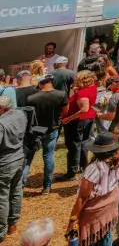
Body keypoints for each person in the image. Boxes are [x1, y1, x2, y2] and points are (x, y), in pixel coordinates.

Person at [67, 132, 119, 246]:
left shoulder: (94, 168)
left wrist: (72, 220)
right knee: (105, 231)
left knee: (90, 237)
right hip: (110, 206)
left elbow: (83, 197)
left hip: (95, 211)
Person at [23, 75, 67, 194]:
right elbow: (65, 112)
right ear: (52, 82)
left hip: (35, 130)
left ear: (40, 83)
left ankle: (20, 184)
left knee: (28, 158)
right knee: (48, 156)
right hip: (51, 129)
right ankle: (47, 186)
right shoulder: (61, 94)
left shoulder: (31, 98)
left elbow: (29, 115)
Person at [60, 70, 98, 181]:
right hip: (89, 118)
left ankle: (72, 172)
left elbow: (84, 109)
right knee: (83, 143)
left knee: (74, 146)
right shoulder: (91, 88)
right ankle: (83, 166)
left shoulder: (82, 93)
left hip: (78, 121)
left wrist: (68, 118)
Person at [0, 96, 25, 240]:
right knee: (16, 189)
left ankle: (1, 231)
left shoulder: (1, 123)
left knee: (2, 196)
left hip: (5, 163)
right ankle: (13, 223)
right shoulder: (20, 114)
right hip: (19, 157)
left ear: (1, 109)